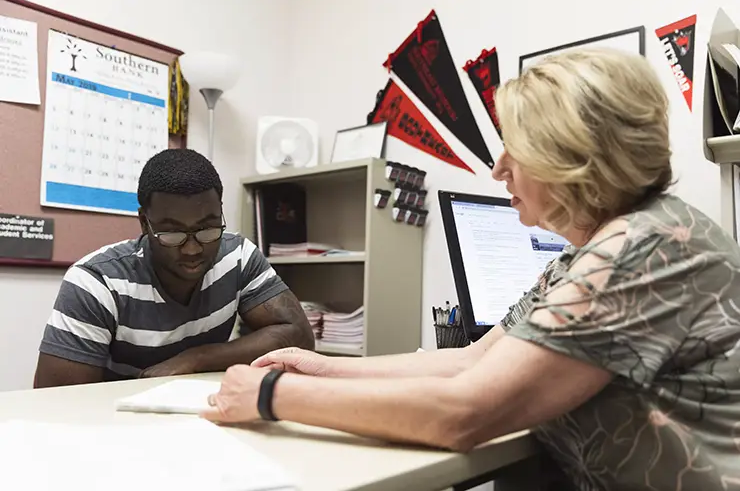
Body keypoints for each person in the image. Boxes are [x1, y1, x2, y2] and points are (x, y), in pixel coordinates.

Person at [202, 49, 740, 491]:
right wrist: (319, 367)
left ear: (574, 157)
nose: (498, 167)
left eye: (517, 147)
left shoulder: (641, 248)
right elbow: (471, 360)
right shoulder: (591, 252)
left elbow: (465, 412)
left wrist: (273, 396)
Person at [34, 148, 314, 387]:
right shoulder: (96, 283)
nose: (192, 249)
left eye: (207, 229)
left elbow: (299, 337)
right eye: (172, 234)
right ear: (144, 223)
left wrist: (196, 358)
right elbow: (56, 404)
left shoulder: (237, 257)